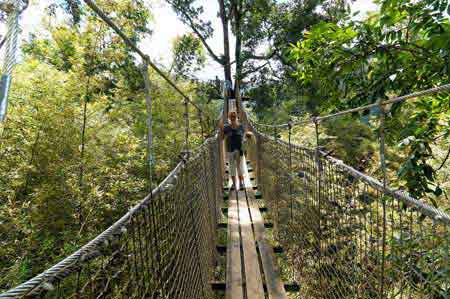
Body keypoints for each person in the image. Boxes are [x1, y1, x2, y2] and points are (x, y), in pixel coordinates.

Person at [220, 110, 252, 190]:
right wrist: (221, 130)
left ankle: (241, 184)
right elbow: (222, 138)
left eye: (234, 117)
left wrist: (248, 135)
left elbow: (245, 136)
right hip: (230, 149)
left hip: (239, 150)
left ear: (236, 117)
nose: (233, 118)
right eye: (231, 117)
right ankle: (234, 184)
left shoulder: (241, 127)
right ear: (229, 118)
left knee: (239, 167)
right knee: (232, 167)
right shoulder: (226, 127)